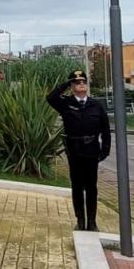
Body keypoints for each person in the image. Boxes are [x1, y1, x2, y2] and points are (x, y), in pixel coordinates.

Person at [47, 69, 111, 231]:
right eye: (77, 82)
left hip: (92, 151)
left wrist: (105, 151)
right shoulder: (66, 103)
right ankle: (80, 220)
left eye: (83, 82)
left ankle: (92, 221)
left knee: (91, 187)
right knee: (77, 186)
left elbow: (105, 130)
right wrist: (66, 84)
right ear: (72, 86)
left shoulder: (96, 105)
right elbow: (51, 97)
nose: (81, 84)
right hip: (74, 151)